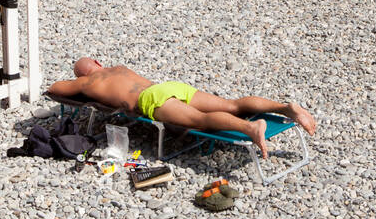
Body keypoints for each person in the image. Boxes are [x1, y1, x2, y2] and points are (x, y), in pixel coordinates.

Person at [47, 58, 317, 159]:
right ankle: (285, 107)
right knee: (232, 104)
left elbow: (57, 88)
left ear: (82, 74)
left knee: (200, 120)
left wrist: (77, 80)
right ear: (97, 61)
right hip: (169, 87)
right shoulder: (118, 68)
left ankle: (249, 127)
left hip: (151, 100)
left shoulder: (87, 82)